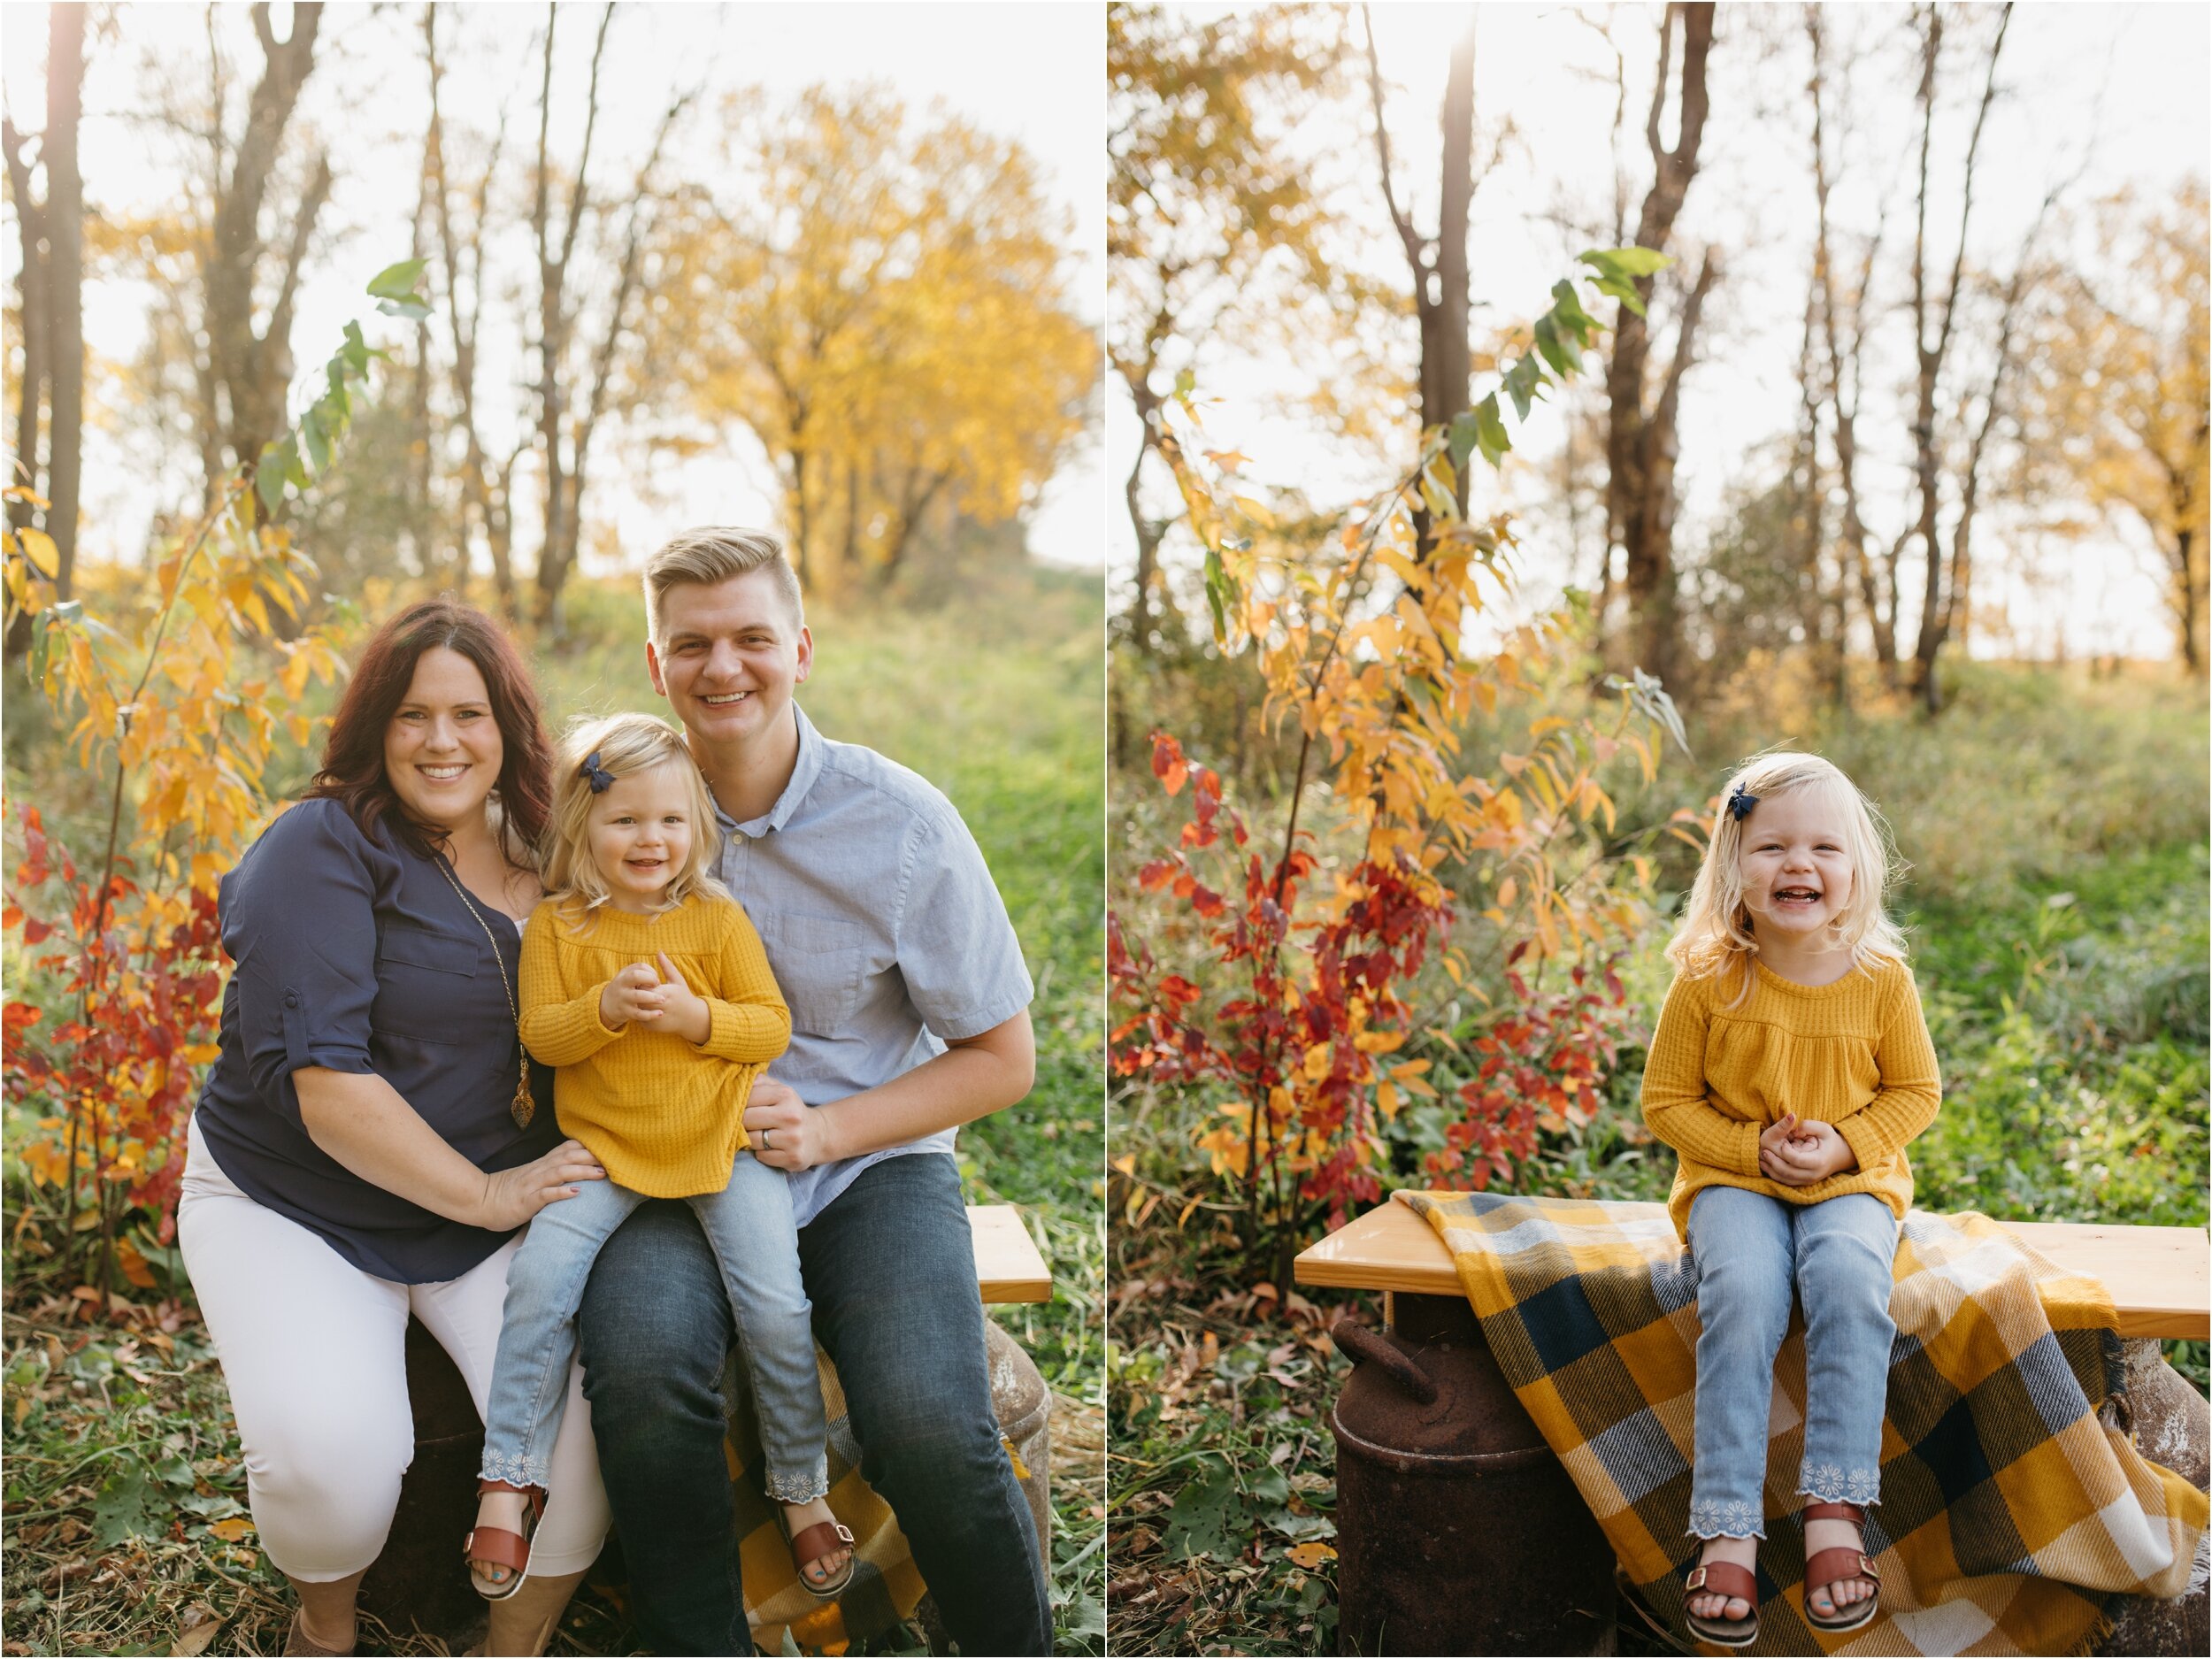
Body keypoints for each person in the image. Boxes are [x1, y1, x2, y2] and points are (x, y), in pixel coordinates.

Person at [572, 527, 1050, 1655]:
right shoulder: (606, 817)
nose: (722, 669)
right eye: (691, 645)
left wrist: (829, 1125)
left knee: (931, 1420)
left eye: (750, 638)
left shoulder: (903, 826)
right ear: (655, 664)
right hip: (667, 1171)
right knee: (639, 1380)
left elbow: (1003, 1058)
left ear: (800, 646)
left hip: (866, 1170)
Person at [176, 601, 612, 1658]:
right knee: (332, 1455)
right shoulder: (320, 846)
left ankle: (514, 1644)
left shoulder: (552, 853)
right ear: (376, 726)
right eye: (413, 714)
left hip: (486, 1214)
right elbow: (327, 1088)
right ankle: (323, 1633)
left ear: (509, 729)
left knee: (590, 1439)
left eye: (469, 713)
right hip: (296, 1203)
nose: (441, 741)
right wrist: (491, 1196)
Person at [466, 712, 854, 1601]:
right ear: (582, 828)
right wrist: (603, 1007)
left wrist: (696, 1020)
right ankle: (509, 1476)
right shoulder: (560, 930)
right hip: (604, 1150)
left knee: (773, 1307)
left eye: (671, 821)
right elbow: (542, 1037)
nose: (651, 839)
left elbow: (768, 1026)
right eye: (626, 820)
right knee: (540, 1284)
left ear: (697, 830)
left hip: (722, 1147)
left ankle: (799, 1485)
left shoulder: (715, 920)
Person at [1640, 752, 1942, 1647]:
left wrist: (1846, 1143)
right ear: (1733, 865)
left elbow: (1915, 1092)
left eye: (1822, 848)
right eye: (1770, 846)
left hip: (1850, 1180)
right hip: (1734, 1180)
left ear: (1856, 871)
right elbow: (1665, 1102)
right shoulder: (1708, 979)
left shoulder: (1879, 977)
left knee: (1849, 1280)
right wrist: (1748, 1149)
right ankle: (1728, 1520)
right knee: (1744, 1291)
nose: (1797, 866)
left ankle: (1834, 1509)